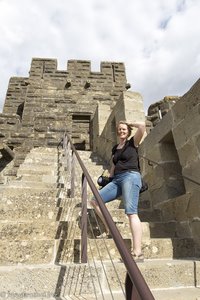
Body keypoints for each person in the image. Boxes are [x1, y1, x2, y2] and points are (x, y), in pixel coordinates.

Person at [90, 120, 146, 262]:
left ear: (128, 131)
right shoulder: (115, 148)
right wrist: (109, 177)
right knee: (95, 200)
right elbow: (114, 165)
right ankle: (109, 227)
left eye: (124, 129)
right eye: (119, 129)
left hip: (131, 176)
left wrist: (129, 123)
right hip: (116, 180)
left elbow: (143, 126)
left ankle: (137, 253)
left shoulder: (133, 142)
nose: (121, 131)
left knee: (131, 212)